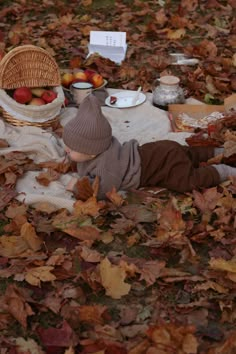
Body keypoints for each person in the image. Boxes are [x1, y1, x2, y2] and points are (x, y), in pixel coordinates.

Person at [62, 93, 236, 200]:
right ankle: (218, 152)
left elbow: (103, 191)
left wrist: (78, 187)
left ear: (92, 154)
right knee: (189, 154)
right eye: (67, 145)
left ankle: (222, 171)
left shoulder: (107, 168)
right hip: (157, 149)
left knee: (186, 181)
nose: (67, 150)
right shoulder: (99, 147)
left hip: (160, 167)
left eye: (72, 148)